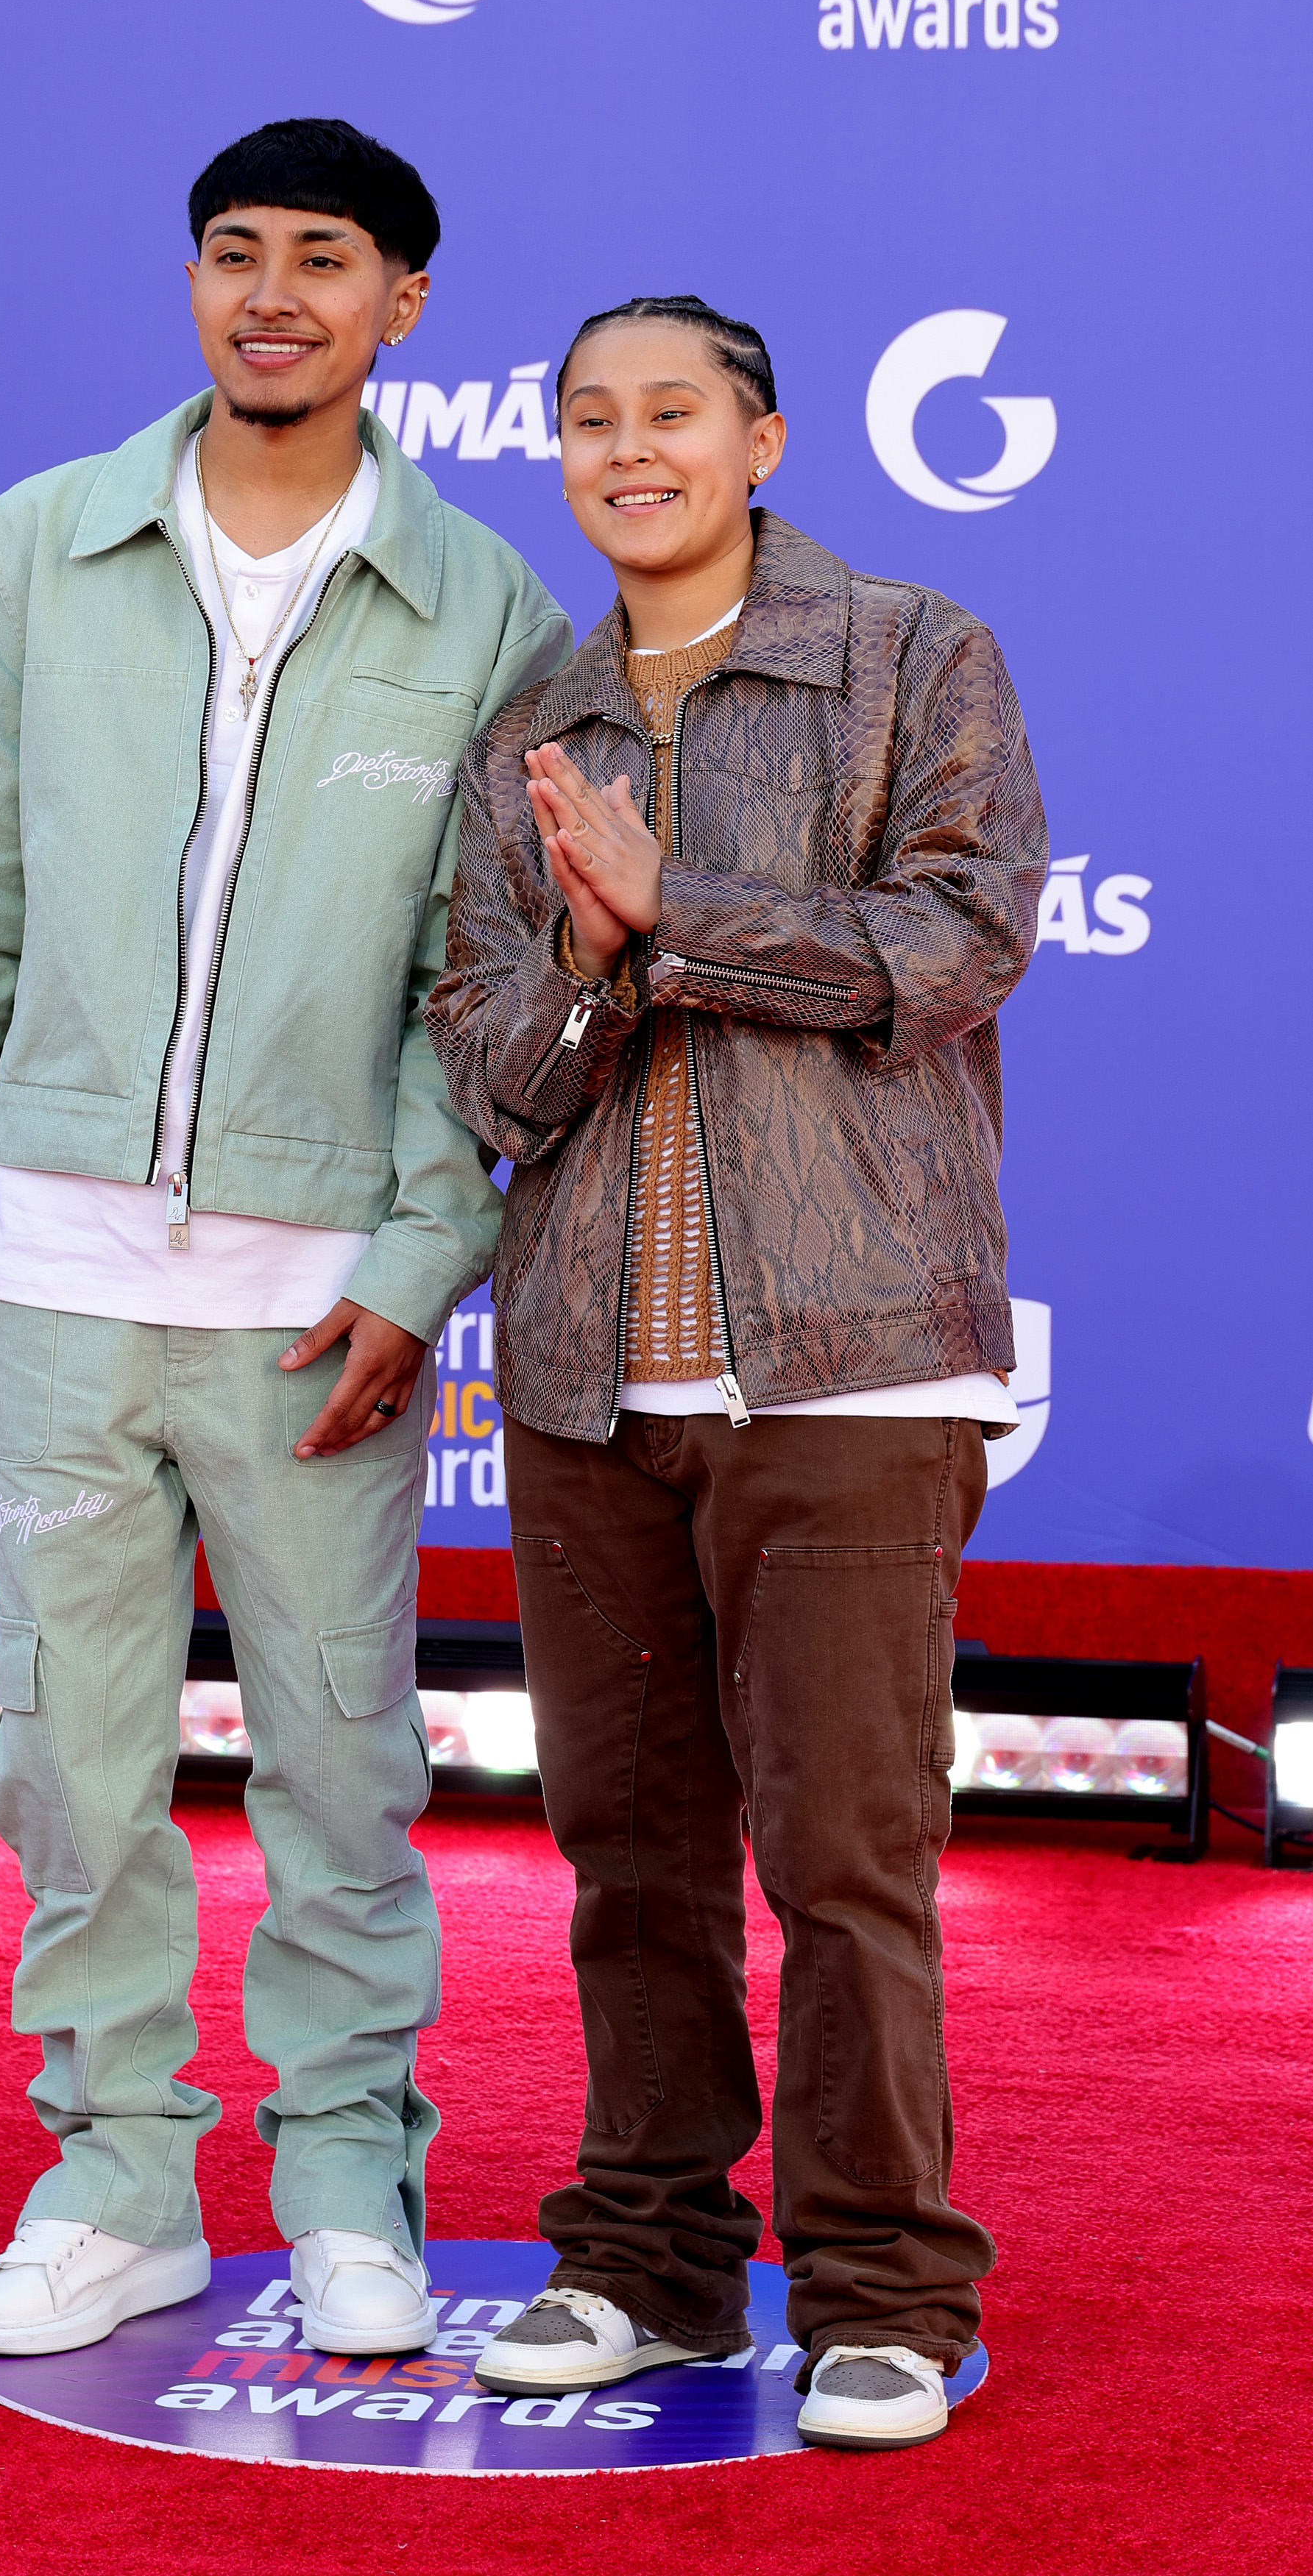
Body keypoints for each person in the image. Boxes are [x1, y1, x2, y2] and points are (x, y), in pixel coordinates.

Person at [0, 118, 570, 2364]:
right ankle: (117, 2176)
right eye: (234, 254)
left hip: (313, 1306)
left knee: (341, 1760)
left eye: (324, 260)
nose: (273, 293)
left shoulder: (487, 614)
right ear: (195, 284)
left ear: (401, 308)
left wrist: (411, 1263)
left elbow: (485, 986)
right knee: (71, 1756)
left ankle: (350, 2172)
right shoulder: (31, 547)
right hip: (59, 1272)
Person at [427, 296, 1047, 2449]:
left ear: (760, 436)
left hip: (849, 1370)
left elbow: (958, 942)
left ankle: (882, 2282)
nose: (626, 448)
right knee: (627, 1852)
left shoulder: (908, 650)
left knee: (846, 1855)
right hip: (592, 1384)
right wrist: (592, 962)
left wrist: (666, 900)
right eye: (587, 417)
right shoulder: (533, 715)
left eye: (668, 411)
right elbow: (490, 1062)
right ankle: (649, 2260)